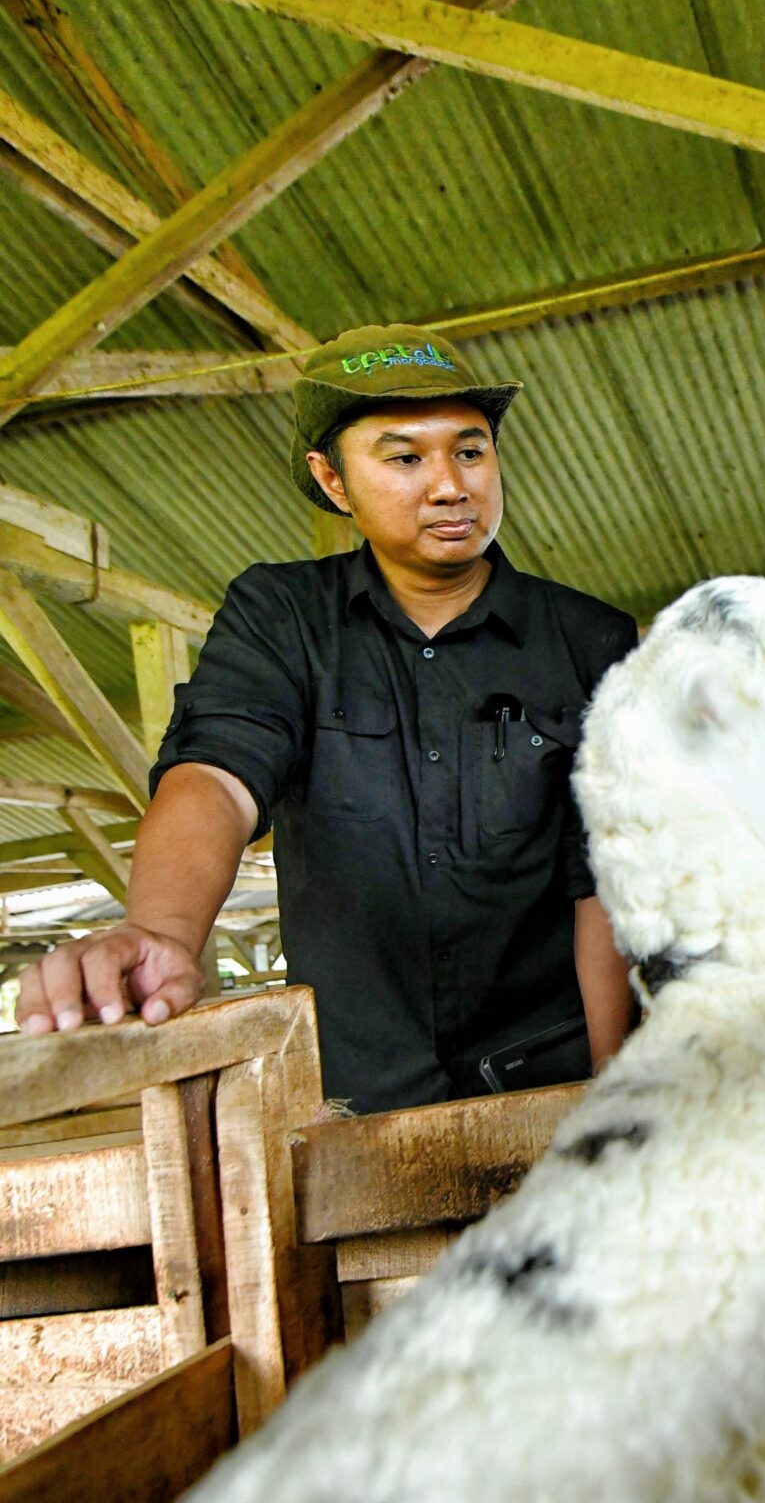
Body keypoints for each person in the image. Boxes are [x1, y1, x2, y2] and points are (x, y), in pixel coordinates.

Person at [17, 325, 637, 1110]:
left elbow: (608, 881)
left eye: (471, 451)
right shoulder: (282, 618)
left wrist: (620, 1091)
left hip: (546, 1080)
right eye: (404, 457)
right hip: (351, 1096)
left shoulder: (591, 639)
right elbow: (216, 772)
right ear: (333, 480)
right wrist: (163, 933)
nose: (450, 485)